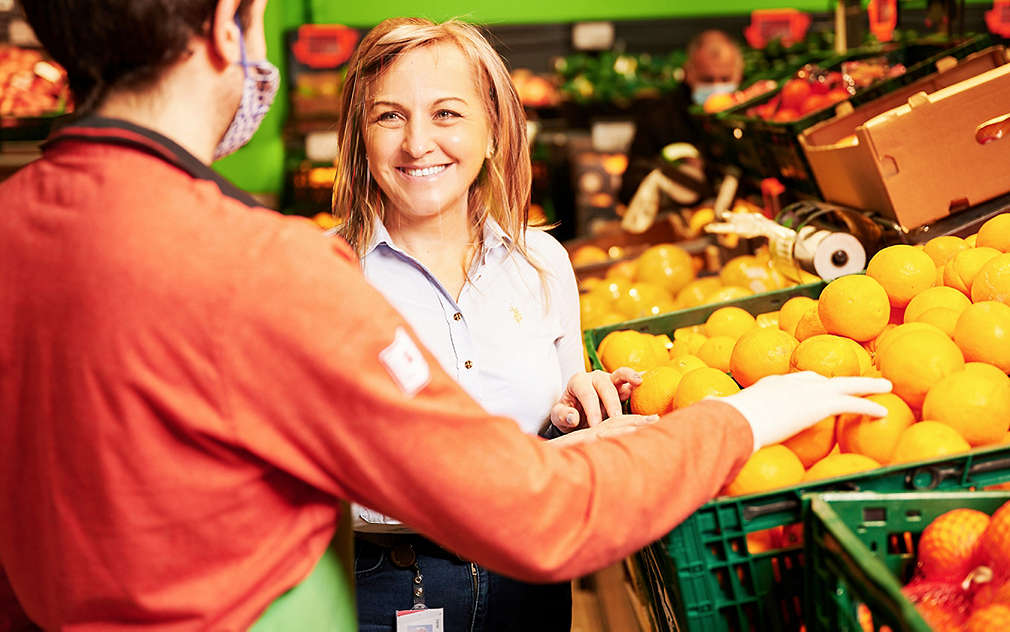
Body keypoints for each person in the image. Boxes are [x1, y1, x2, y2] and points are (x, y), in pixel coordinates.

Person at [0, 1, 892, 629]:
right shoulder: (278, 272)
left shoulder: (16, 229)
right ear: (228, 21)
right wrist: (739, 417)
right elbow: (535, 513)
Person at [332, 18, 644, 631]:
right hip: (386, 589)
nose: (417, 143)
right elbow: (314, 478)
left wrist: (576, 407)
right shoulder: (322, 277)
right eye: (389, 116)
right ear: (360, 137)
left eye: (447, 113)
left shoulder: (543, 264)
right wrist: (517, 479)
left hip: (532, 580)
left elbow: (557, 419)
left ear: (493, 131)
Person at [617, 29, 745, 207]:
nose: (717, 88)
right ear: (688, 73)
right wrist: (671, 176)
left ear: (738, 74)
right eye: (707, 79)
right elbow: (628, 190)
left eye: (725, 79)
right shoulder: (659, 116)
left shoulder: (749, 118)